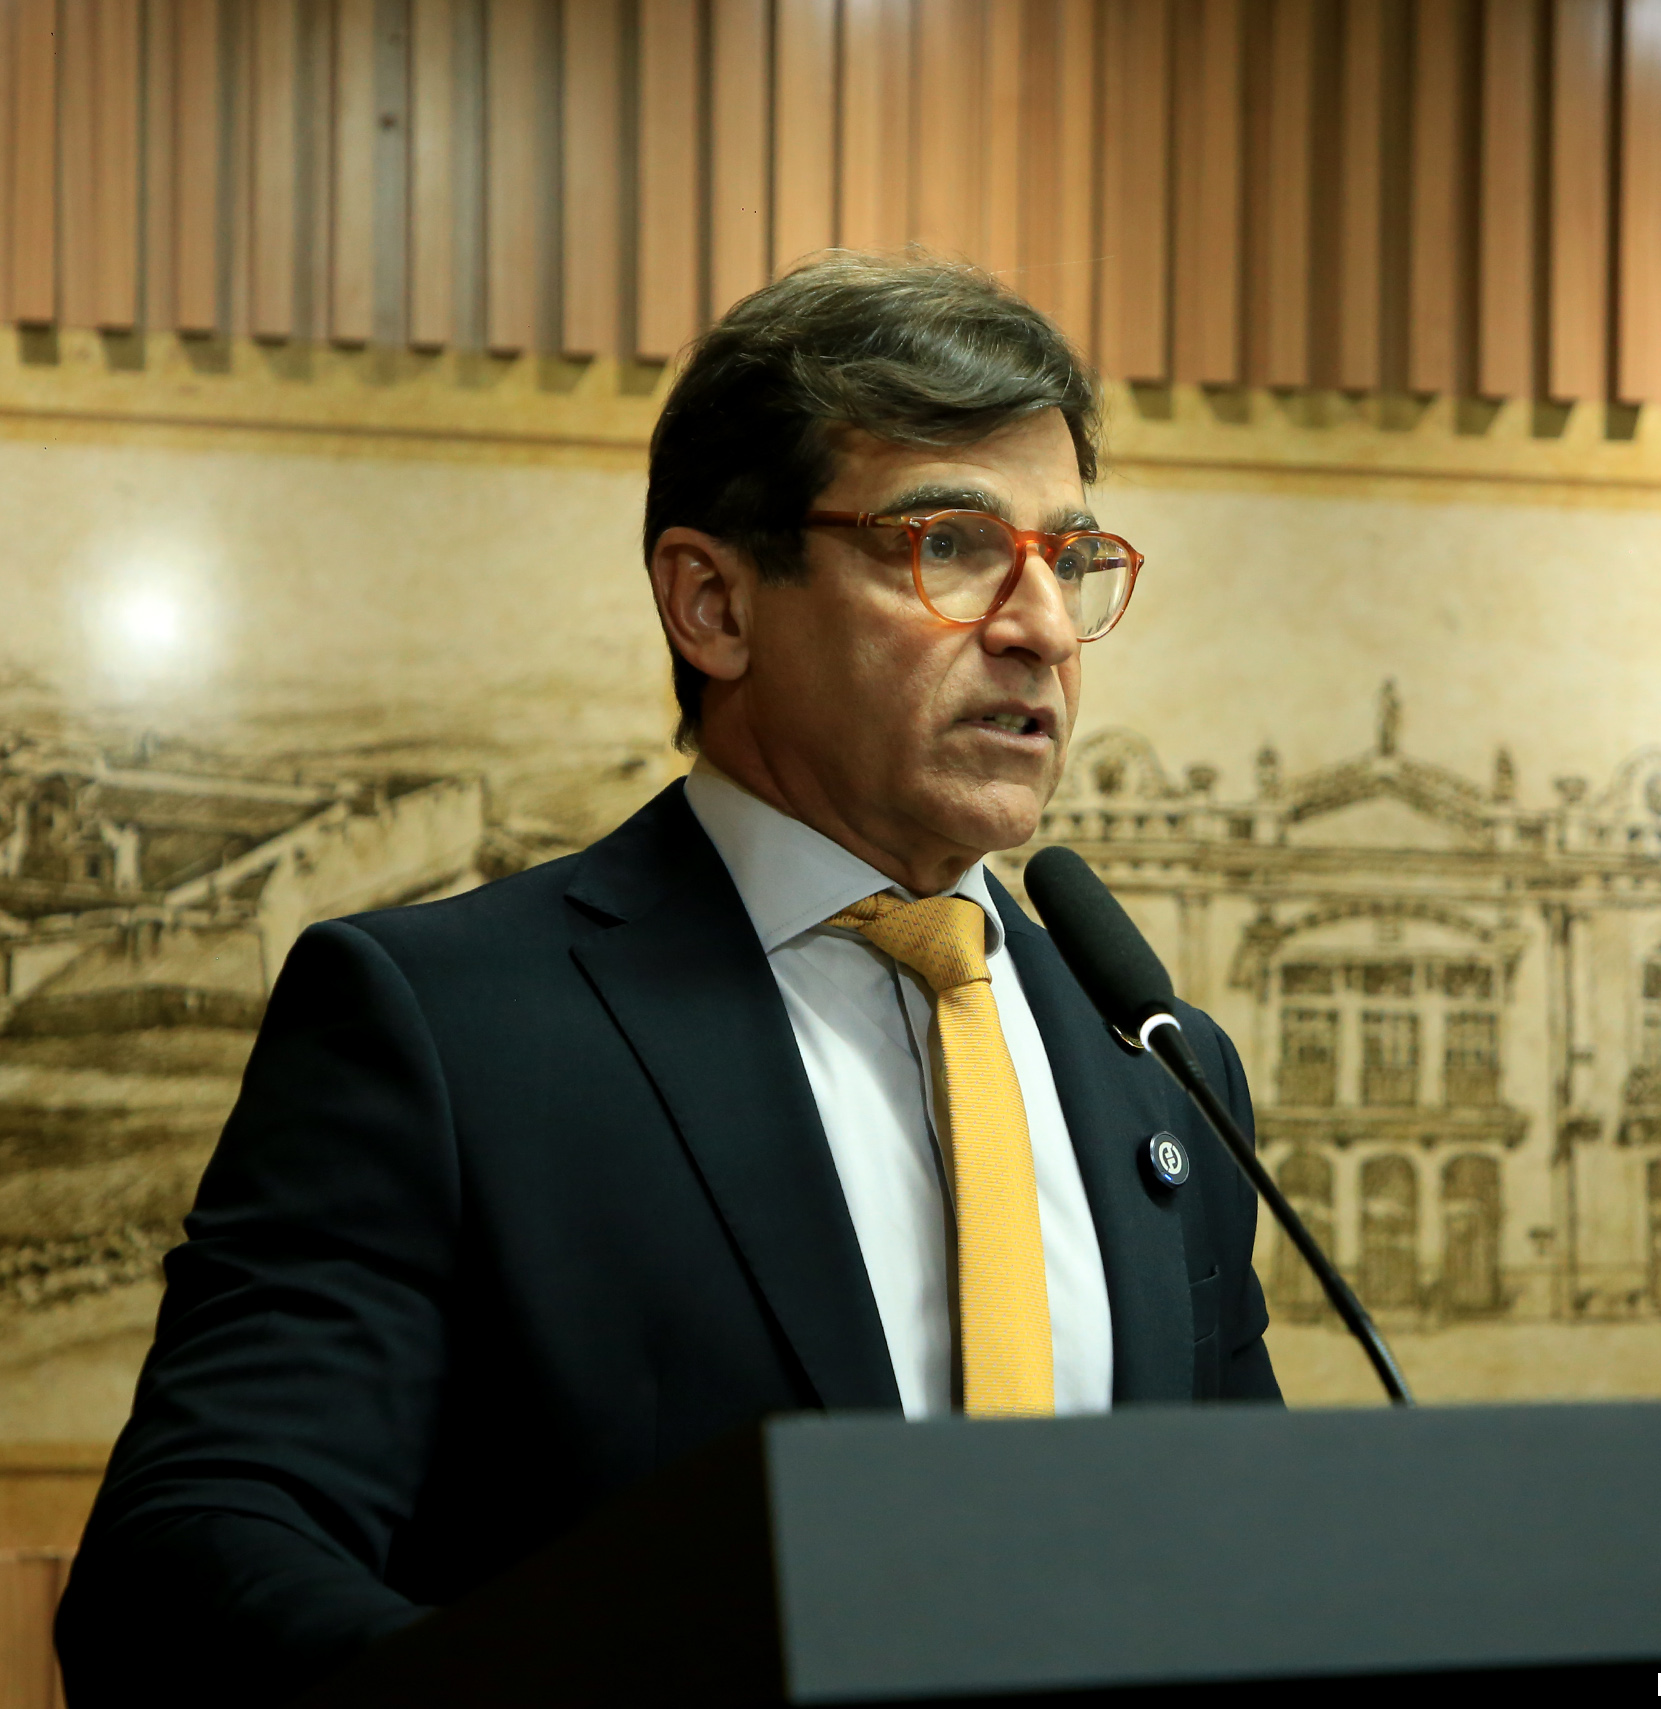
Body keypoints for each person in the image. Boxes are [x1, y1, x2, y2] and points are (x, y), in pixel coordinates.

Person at [55, 254, 1279, 1707]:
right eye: (950, 544)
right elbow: (185, 1569)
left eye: (1069, 560)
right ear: (713, 603)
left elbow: (1251, 1560)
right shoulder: (443, 1029)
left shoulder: (1160, 1067)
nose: (1044, 629)